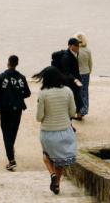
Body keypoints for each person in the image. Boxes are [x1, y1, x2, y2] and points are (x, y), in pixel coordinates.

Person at [33, 65, 77, 195]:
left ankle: (52, 175)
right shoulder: (68, 91)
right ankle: (57, 184)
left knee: (46, 156)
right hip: (65, 131)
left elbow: (39, 117)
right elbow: (73, 112)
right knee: (60, 160)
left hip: (48, 132)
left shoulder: (43, 93)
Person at [0, 55, 31, 171]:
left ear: (8, 63)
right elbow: (27, 93)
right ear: (17, 63)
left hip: (5, 109)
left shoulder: (1, 77)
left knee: (6, 132)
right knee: (13, 131)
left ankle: (11, 159)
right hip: (17, 108)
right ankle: (11, 150)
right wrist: (17, 95)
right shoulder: (21, 78)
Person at [55, 38, 84, 120]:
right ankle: (70, 124)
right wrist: (75, 79)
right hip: (70, 83)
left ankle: (78, 115)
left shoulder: (75, 53)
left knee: (77, 100)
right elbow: (66, 72)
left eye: (78, 45)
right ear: (70, 46)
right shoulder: (66, 57)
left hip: (76, 82)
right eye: (76, 45)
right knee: (70, 104)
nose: (78, 46)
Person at [72, 32, 92, 118]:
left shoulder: (75, 50)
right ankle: (84, 110)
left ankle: (78, 112)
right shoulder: (88, 50)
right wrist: (89, 72)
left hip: (77, 74)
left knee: (76, 93)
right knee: (84, 92)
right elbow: (90, 63)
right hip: (86, 73)